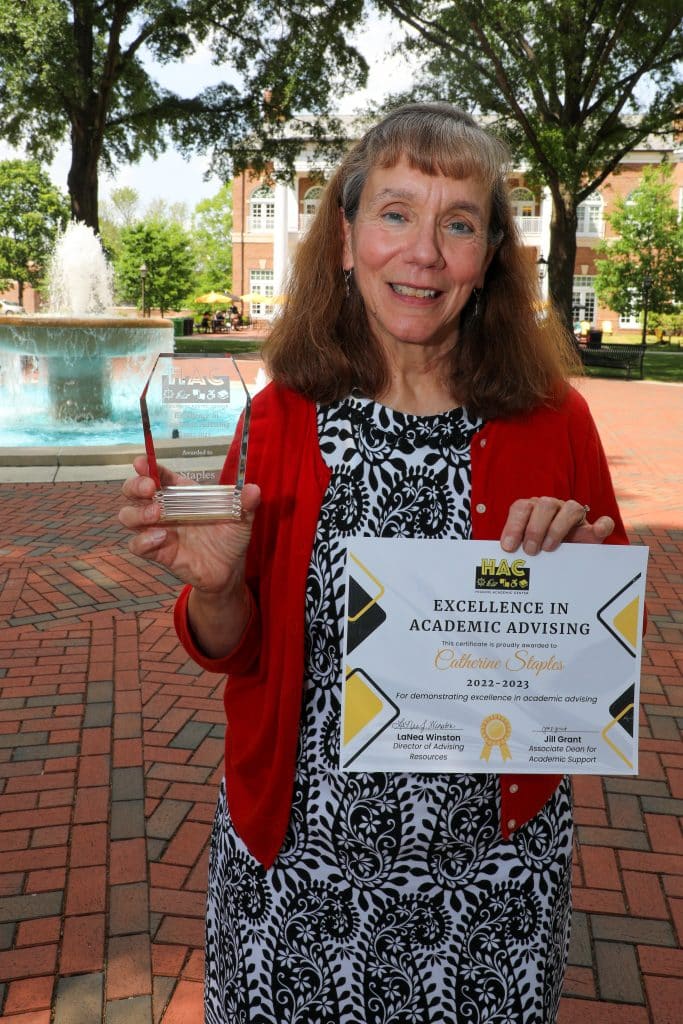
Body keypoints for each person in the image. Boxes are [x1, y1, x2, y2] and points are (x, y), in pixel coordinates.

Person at [119, 103, 629, 1023]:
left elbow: (594, 670)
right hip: (298, 872)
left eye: (458, 223)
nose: (424, 253)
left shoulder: (556, 423)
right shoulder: (275, 422)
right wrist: (221, 587)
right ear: (347, 239)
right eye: (396, 213)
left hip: (491, 883)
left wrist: (577, 587)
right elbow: (235, 650)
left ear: (488, 259)